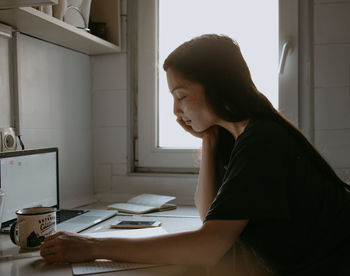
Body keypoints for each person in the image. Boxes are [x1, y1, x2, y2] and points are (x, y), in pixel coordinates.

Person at [40, 34, 350, 275]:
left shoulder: (262, 141)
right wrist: (209, 139)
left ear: (217, 87)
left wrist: (93, 246)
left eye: (181, 96)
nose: (176, 110)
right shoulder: (240, 136)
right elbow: (210, 219)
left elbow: (207, 247)